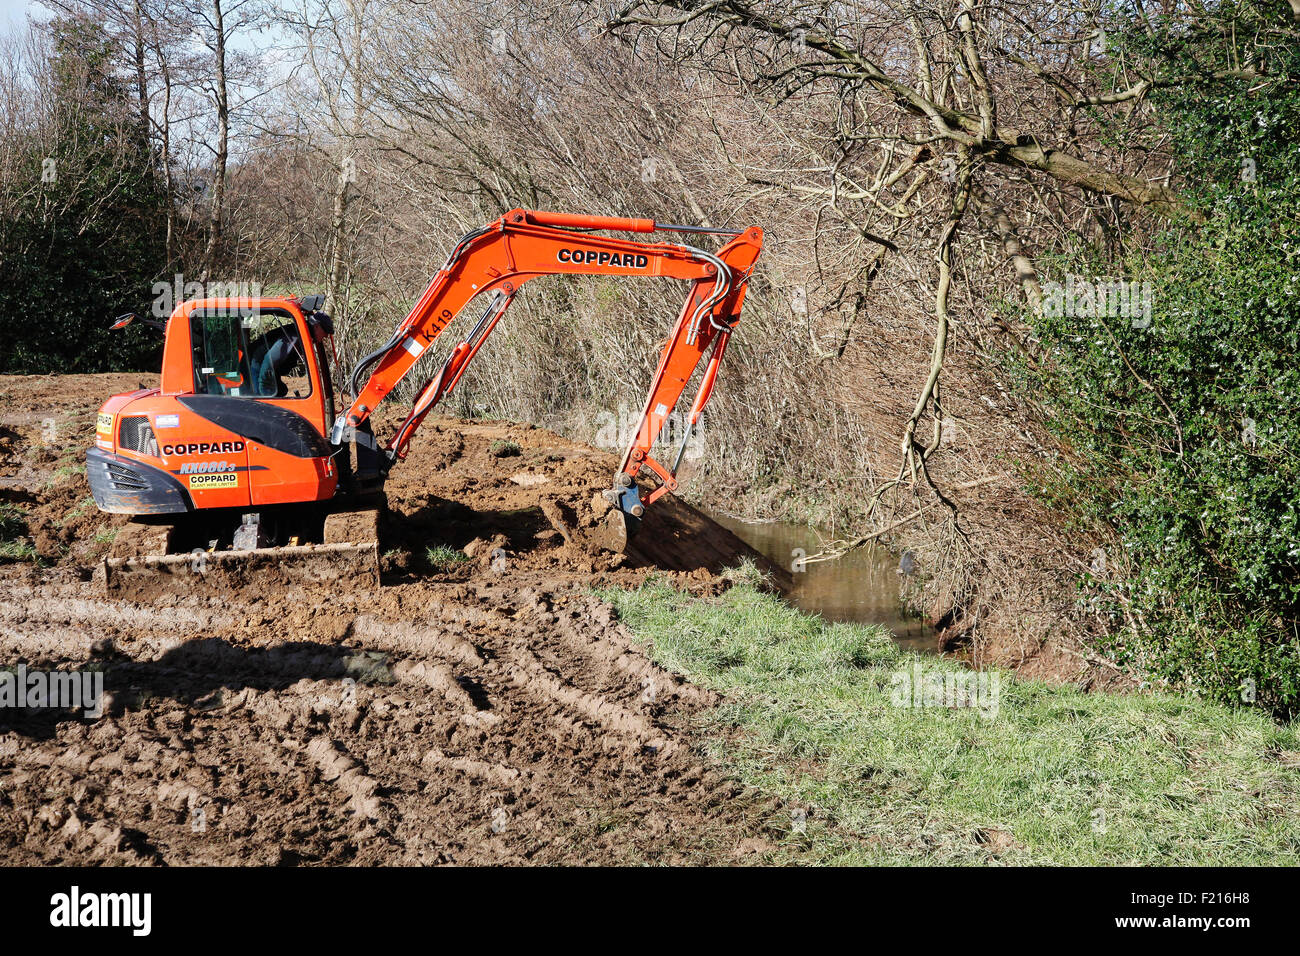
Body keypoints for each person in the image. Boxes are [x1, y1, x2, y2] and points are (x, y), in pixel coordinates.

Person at [255, 311, 334, 397]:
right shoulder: (294, 336)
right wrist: (265, 391)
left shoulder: (302, 335)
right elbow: (269, 361)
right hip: (255, 366)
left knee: (281, 390)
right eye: (325, 331)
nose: (326, 336)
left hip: (264, 368)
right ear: (316, 326)